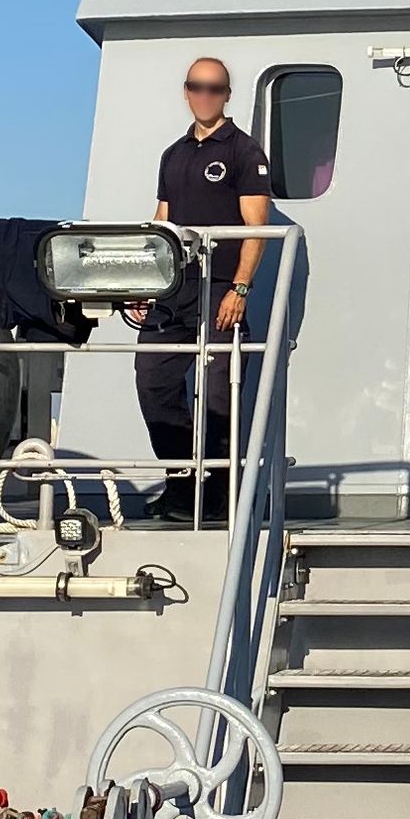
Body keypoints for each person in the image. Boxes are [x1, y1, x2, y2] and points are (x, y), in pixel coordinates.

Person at [141, 57, 273, 524]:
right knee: (153, 382)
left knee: (221, 397)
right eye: (197, 87)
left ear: (227, 95)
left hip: (220, 289)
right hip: (173, 293)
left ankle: (220, 496)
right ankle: (182, 485)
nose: (205, 96)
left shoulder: (244, 151)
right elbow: (162, 222)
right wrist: (145, 282)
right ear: (185, 91)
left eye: (214, 89)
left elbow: (257, 228)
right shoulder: (173, 154)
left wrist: (240, 288)